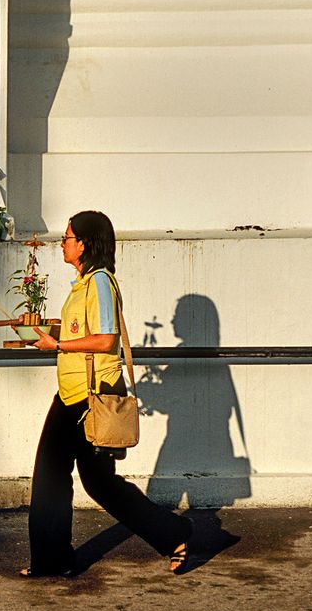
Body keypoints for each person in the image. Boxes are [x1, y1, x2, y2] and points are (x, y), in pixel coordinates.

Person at [21, 210, 193, 577]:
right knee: (63, 477)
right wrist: (49, 330)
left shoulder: (101, 281)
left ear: (83, 244)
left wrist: (58, 344)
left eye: (67, 237)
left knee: (96, 484)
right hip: (71, 394)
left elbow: (105, 340)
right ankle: (53, 561)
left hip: (92, 396)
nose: (63, 244)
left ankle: (176, 533)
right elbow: (84, 329)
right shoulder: (83, 284)